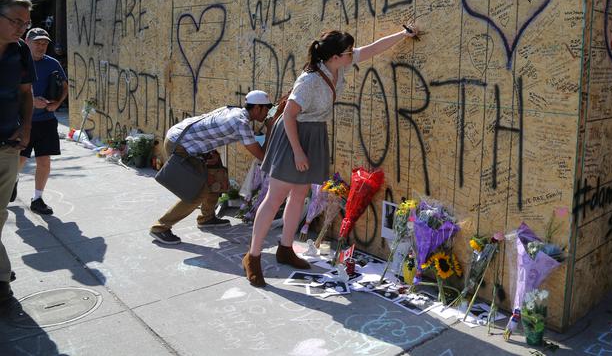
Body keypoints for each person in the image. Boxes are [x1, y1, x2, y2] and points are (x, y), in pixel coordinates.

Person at [243, 24, 420, 287]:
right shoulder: (310, 80)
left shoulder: (340, 65)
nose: (353, 54)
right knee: (275, 197)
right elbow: (290, 115)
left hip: (314, 133)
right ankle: (253, 257)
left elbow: (371, 50)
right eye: (348, 51)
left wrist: (403, 35)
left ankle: (285, 248)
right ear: (335, 57)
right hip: (294, 135)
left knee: (300, 194)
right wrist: (298, 151)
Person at [150, 90, 273, 244]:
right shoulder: (241, 124)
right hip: (181, 144)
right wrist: (271, 129)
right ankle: (160, 227)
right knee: (197, 192)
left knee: (217, 175)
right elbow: (262, 156)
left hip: (186, 138)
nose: (267, 113)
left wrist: (209, 152)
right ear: (256, 108)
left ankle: (207, 218)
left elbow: (208, 131)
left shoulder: (235, 110)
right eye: (266, 108)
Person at [0, 0, 35, 303]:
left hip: (8, 145)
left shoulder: (21, 51)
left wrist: (26, 130)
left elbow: (26, 93)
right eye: (15, 21)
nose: (21, 29)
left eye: (25, 23)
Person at [16, 28, 68, 216]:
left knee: (44, 160)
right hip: (21, 121)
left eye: (44, 43)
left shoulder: (52, 63)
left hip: (46, 121)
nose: (41, 46)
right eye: (37, 42)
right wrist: (31, 101)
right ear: (26, 42)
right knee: (19, 159)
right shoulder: (16, 63)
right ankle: (12, 182)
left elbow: (64, 86)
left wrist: (57, 104)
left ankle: (37, 199)